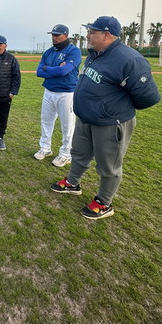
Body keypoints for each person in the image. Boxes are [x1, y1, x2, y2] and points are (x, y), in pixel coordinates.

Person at [51, 16, 161, 219]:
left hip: (111, 123)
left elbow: (148, 97)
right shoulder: (96, 53)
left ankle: (104, 202)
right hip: (87, 118)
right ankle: (73, 183)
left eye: (92, 32)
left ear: (107, 34)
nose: (88, 35)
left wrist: (114, 108)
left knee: (108, 165)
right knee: (79, 153)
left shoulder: (130, 59)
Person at [34, 24, 81, 167]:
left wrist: (47, 68)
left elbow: (64, 71)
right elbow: (39, 72)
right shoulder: (48, 52)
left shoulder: (74, 51)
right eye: (53, 35)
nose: (54, 37)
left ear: (66, 35)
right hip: (49, 91)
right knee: (46, 121)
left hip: (66, 93)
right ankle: (45, 148)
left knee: (67, 125)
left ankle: (66, 154)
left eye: (57, 35)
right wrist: (53, 69)